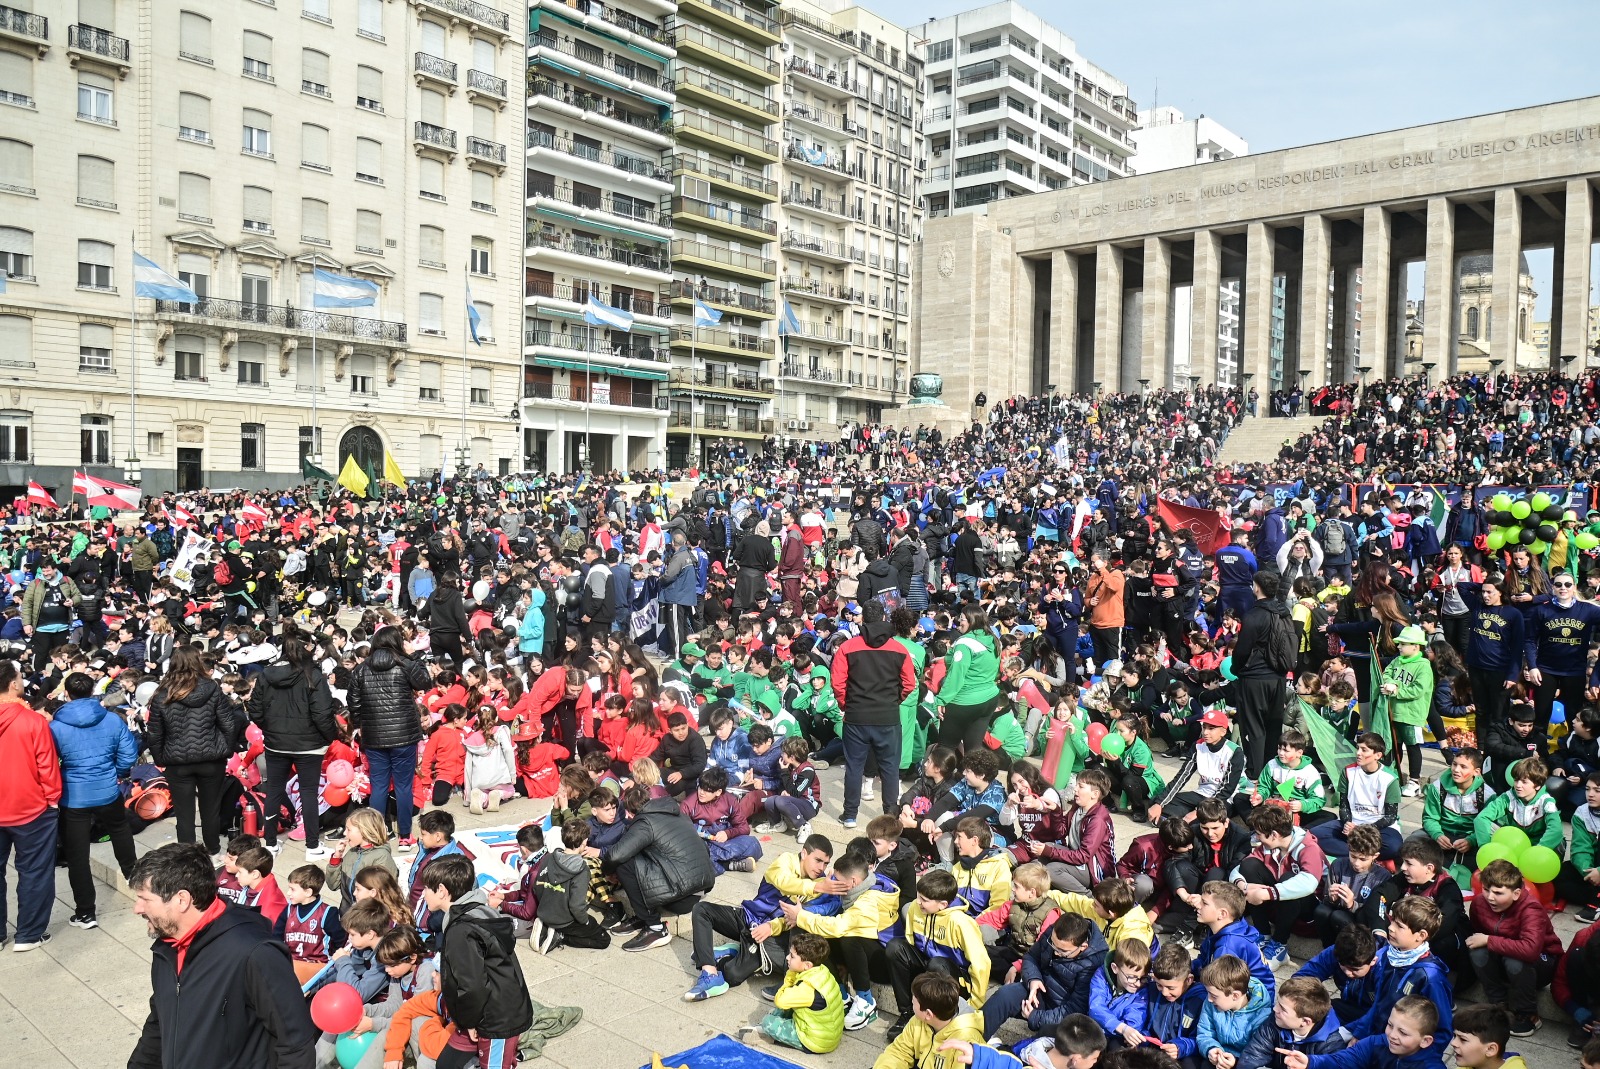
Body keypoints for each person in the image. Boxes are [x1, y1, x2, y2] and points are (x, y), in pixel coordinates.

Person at [127, 842, 318, 1069]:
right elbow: (159, 1024)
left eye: (145, 899)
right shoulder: (167, 946)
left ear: (182, 899)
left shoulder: (254, 952)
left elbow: (295, 1045)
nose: (137, 908)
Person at [421, 854, 534, 1069]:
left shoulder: (461, 931)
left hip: (495, 1020)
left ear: (442, 891)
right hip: (473, 1015)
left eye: (427, 887)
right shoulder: (474, 912)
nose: (424, 893)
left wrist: (472, 1022)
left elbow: (472, 985)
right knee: (447, 1064)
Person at [50, 669, 139, 930]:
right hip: (106, 789)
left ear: (67, 694)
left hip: (73, 796)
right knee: (121, 834)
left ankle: (86, 911)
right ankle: (138, 885)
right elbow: (128, 753)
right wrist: (116, 773)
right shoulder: (112, 720)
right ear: (92, 691)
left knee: (77, 855)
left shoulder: (55, 727)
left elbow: (49, 762)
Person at [147, 645, 245, 857]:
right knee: (211, 808)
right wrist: (225, 749)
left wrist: (161, 757)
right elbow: (228, 724)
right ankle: (212, 848)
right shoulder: (211, 687)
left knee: (184, 813)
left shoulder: (163, 693)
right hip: (210, 758)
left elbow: (155, 733)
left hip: (178, 760)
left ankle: (189, 855)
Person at [249, 629, 339, 858]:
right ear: (305, 647)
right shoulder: (312, 675)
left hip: (278, 743)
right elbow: (322, 713)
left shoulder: (266, 674)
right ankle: (312, 846)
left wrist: (270, 729)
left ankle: (270, 843)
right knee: (308, 793)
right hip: (307, 744)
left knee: (274, 791)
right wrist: (329, 737)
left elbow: (255, 710)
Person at [832, 599, 916, 828]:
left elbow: (838, 683)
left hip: (856, 717)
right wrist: (894, 701)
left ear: (863, 619)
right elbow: (909, 683)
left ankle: (850, 815)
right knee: (890, 768)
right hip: (887, 717)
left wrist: (844, 705)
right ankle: (889, 816)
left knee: (854, 768)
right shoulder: (900, 649)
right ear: (883, 618)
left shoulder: (847, 647)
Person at [602, 784, 716, 952]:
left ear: (629, 812)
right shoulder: (676, 812)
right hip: (700, 886)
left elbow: (615, 856)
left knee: (624, 864)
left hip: (682, 897)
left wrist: (607, 872)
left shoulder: (645, 822)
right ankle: (641, 916)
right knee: (638, 854)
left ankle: (655, 927)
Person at [347, 626, 432, 846]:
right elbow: (424, 682)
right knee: (404, 786)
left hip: (374, 736)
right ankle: (405, 836)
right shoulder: (405, 664)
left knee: (379, 786)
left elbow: (353, 703)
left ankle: (374, 836)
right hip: (404, 734)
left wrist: (359, 726)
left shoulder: (361, 669)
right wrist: (414, 654)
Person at [0, 658, 60, 951]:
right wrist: (52, 800)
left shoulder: (30, 720)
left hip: (23, 806)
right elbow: (47, 766)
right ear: (13, 684)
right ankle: (29, 933)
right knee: (35, 871)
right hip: (31, 807)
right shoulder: (33, 721)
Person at [1466, 858, 1563, 1038]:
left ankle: (1528, 1014)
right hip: (1503, 959)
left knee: (1515, 959)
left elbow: (1530, 949)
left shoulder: (1531, 909)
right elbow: (1477, 934)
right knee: (1477, 951)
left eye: (1498, 892)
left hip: (1542, 962)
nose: (1490, 897)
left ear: (1516, 893)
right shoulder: (1479, 903)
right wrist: (1485, 942)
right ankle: (1498, 1006)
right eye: (1486, 890)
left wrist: (1489, 940)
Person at [742, 930, 845, 1055]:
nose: (787, 958)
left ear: (807, 965)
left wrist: (790, 974)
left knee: (768, 1021)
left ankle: (767, 1034)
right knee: (785, 1007)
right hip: (829, 1034)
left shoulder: (806, 989)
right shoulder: (822, 970)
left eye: (792, 956)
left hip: (815, 1042)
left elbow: (779, 1000)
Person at [1231, 572, 1292, 778]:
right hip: (1279, 677)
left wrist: (1235, 669)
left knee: (1254, 728)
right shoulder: (1284, 612)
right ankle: (1272, 771)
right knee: (1273, 726)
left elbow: (1242, 650)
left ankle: (1257, 774)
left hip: (1255, 678)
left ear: (1257, 588)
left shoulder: (1254, 615)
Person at [1196, 954, 1273, 1069]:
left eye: (1213, 995)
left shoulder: (1262, 1016)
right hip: (1216, 1061)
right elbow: (1205, 1033)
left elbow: (1259, 1055)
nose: (1209, 999)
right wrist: (1211, 1048)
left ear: (1235, 995)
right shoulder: (1211, 1003)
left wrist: (1236, 1062)